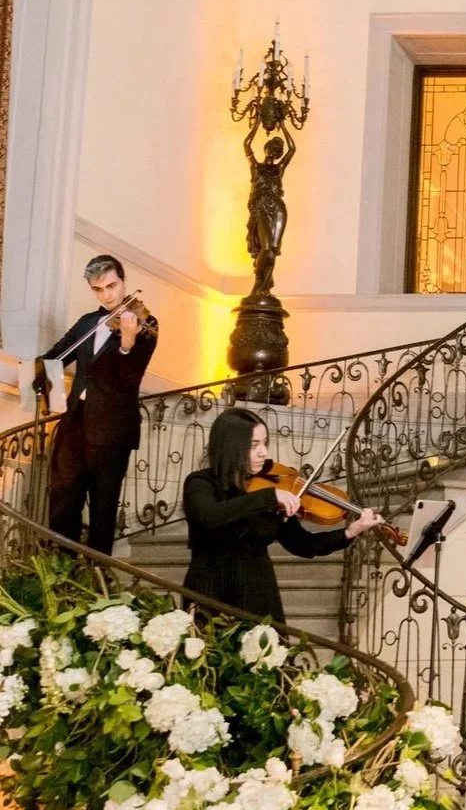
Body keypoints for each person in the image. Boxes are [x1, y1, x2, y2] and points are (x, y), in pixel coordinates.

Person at [181, 409, 384, 624]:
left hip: (258, 595)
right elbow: (210, 515)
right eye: (253, 445)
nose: (263, 452)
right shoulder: (200, 483)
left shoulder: (270, 493)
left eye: (265, 443)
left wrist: (350, 531)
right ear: (231, 446)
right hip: (211, 591)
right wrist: (269, 496)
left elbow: (303, 544)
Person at [34, 254, 158, 557]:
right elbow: (56, 356)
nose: (107, 295)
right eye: (98, 289)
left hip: (112, 429)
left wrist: (127, 344)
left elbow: (129, 379)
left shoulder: (146, 323)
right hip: (75, 422)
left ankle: (96, 575)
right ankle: (62, 569)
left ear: (123, 282)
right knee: (63, 499)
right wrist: (39, 374)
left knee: (103, 508)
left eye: (112, 286)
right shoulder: (87, 322)